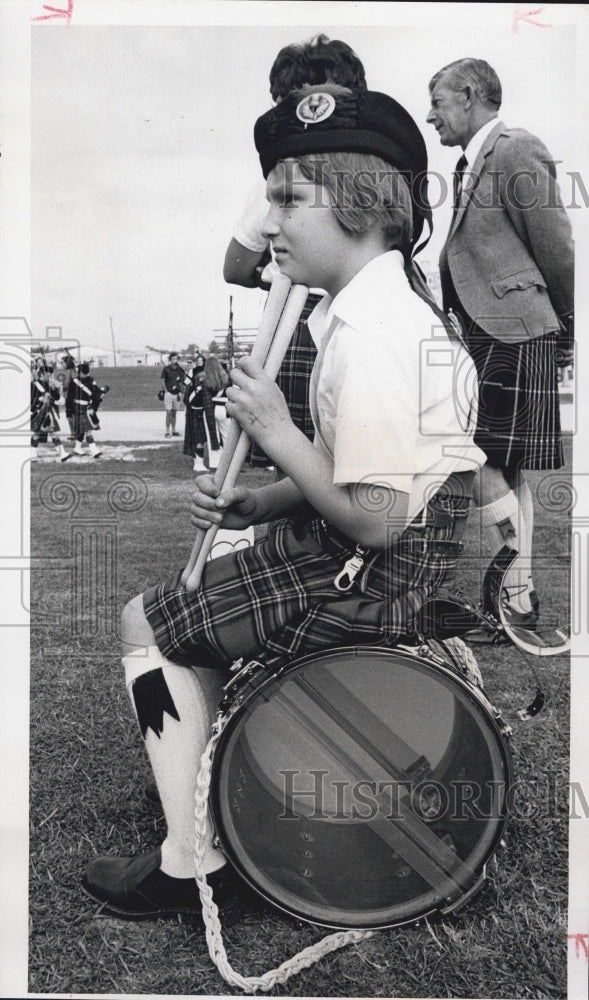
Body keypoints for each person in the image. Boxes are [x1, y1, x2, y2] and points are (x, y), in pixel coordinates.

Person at [82, 83, 486, 918]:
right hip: (364, 555)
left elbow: (374, 517)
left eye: (286, 200)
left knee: (145, 625)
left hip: (371, 572)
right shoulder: (366, 312)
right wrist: (263, 504)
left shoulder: (377, 335)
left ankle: (193, 860)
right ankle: (221, 809)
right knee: (193, 601)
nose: (265, 226)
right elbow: (357, 473)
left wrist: (272, 427)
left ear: (361, 201)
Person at [426, 58, 574, 638]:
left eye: (437, 101)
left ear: (469, 95)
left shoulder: (515, 150)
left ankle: (512, 597)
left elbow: (556, 245)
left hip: (515, 328)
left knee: (482, 461)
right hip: (492, 331)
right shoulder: (475, 161)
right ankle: (519, 600)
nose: (430, 114)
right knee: (504, 470)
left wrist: (566, 324)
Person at [224, 35, 368, 469]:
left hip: (340, 313)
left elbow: (237, 264)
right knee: (296, 457)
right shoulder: (280, 178)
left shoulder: (304, 173)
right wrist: (280, 272)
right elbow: (235, 266)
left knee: (345, 452)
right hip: (304, 312)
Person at [31, 364, 71, 462]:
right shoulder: (34, 385)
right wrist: (40, 400)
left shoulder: (49, 385)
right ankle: (33, 455)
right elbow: (30, 400)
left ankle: (62, 454)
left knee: (51, 433)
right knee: (37, 434)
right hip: (38, 412)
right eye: (47, 375)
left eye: (50, 375)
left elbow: (58, 398)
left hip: (48, 412)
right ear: (42, 374)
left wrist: (55, 389)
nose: (49, 377)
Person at [66, 361, 105, 458]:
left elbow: (95, 392)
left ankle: (77, 448)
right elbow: (69, 398)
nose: (86, 375)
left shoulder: (90, 380)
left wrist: (101, 394)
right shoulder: (74, 382)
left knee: (83, 430)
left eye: (87, 373)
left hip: (88, 408)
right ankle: (94, 450)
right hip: (78, 407)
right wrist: (69, 411)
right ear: (80, 373)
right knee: (88, 429)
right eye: (84, 373)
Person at [203, 355, 230, 450]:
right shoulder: (226, 377)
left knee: (213, 436)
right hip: (225, 408)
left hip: (213, 408)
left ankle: (216, 460)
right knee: (226, 435)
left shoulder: (206, 380)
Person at [160, 352, 186, 438]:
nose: (174, 360)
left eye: (176, 359)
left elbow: (183, 381)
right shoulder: (166, 369)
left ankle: (174, 430)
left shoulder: (180, 370)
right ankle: (167, 431)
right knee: (168, 412)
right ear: (170, 359)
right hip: (169, 393)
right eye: (173, 359)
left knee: (174, 412)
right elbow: (163, 380)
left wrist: (181, 390)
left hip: (177, 394)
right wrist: (166, 391)